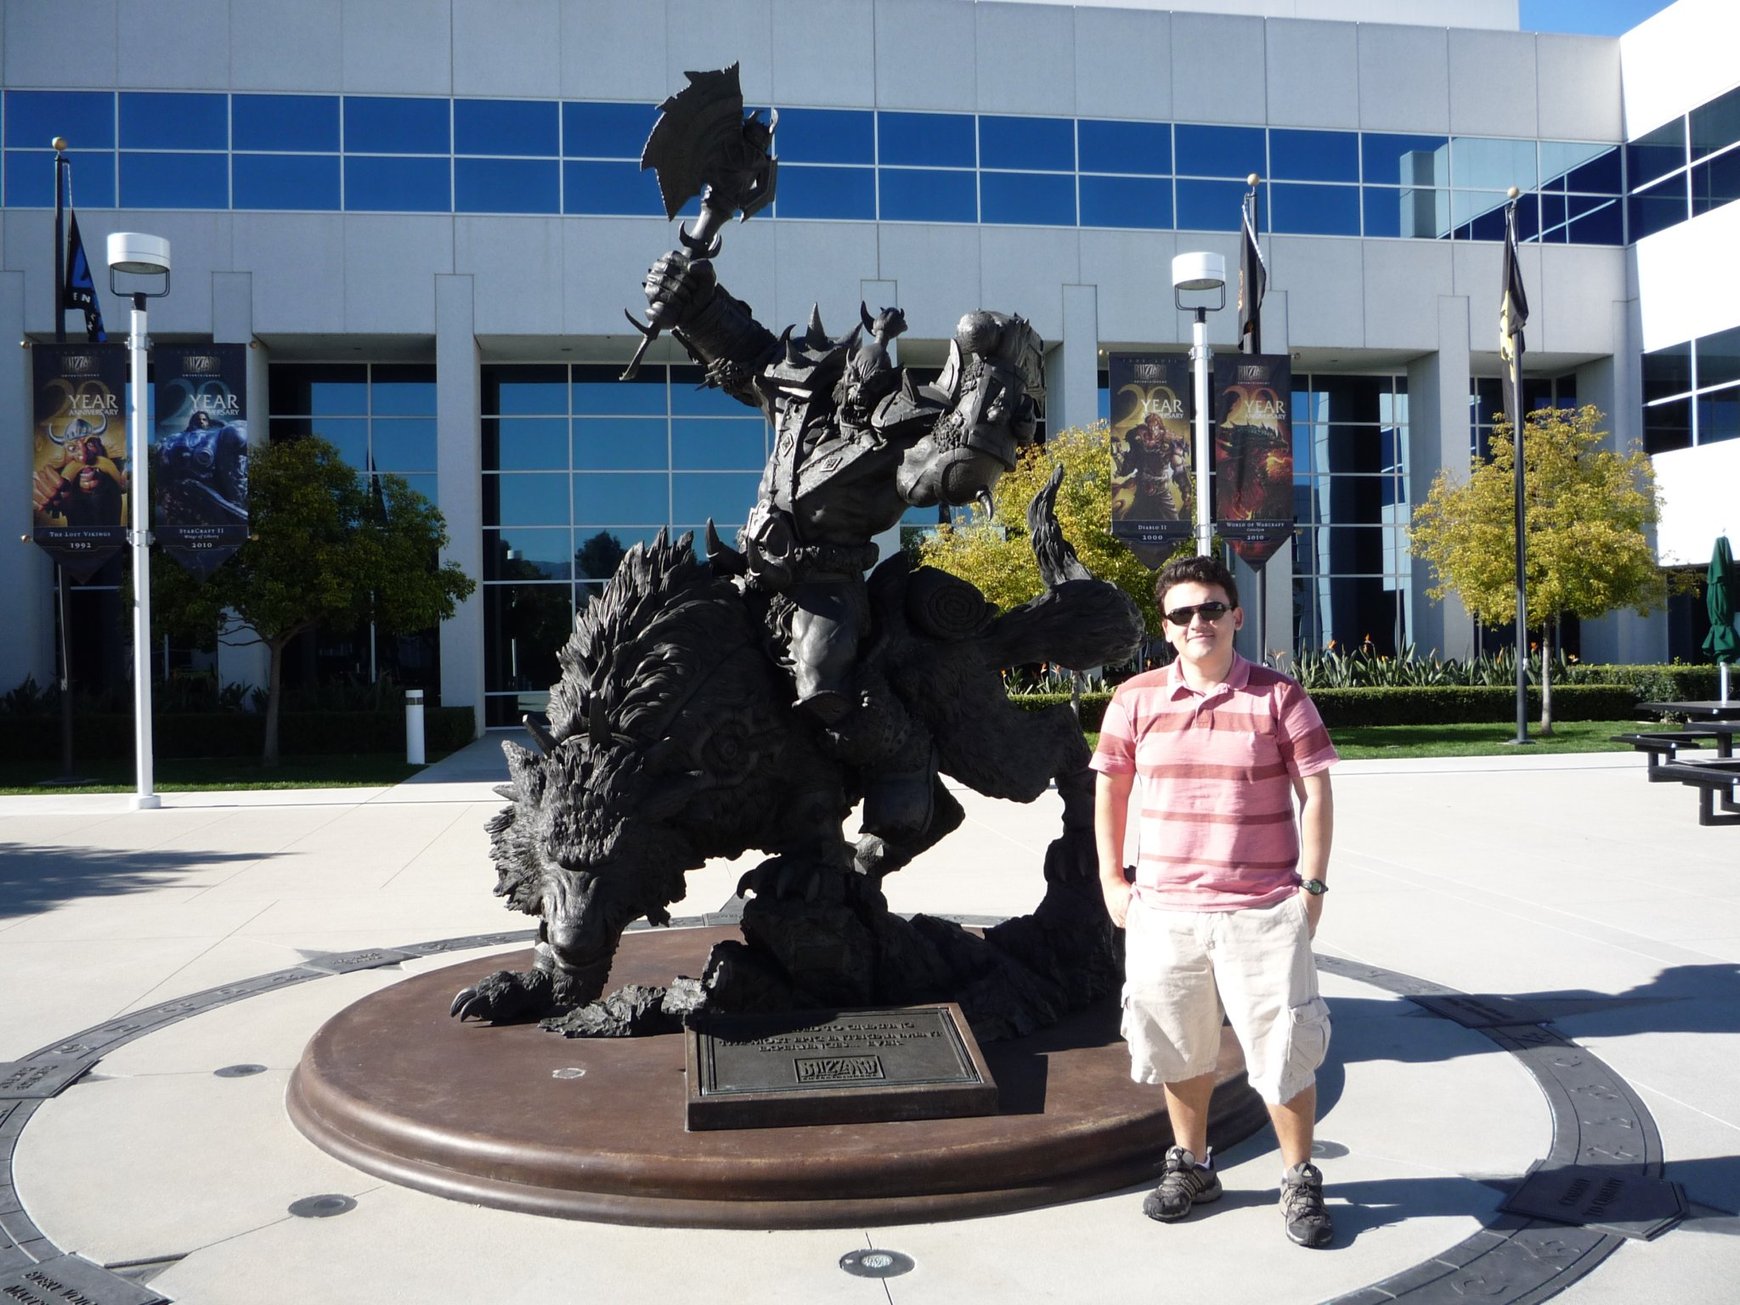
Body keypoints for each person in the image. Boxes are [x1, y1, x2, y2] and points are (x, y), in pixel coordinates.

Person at [1092, 553, 1338, 1248]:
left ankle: (1298, 1177)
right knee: (1177, 1044)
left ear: (1236, 614)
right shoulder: (1135, 698)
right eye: (1182, 613)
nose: (1197, 622)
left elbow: (1315, 790)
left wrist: (1312, 887)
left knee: (1284, 1048)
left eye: (1210, 608)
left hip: (1262, 907)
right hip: (1165, 909)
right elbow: (1110, 790)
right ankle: (1194, 1164)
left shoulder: (1279, 696)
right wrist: (1114, 880)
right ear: (1165, 628)